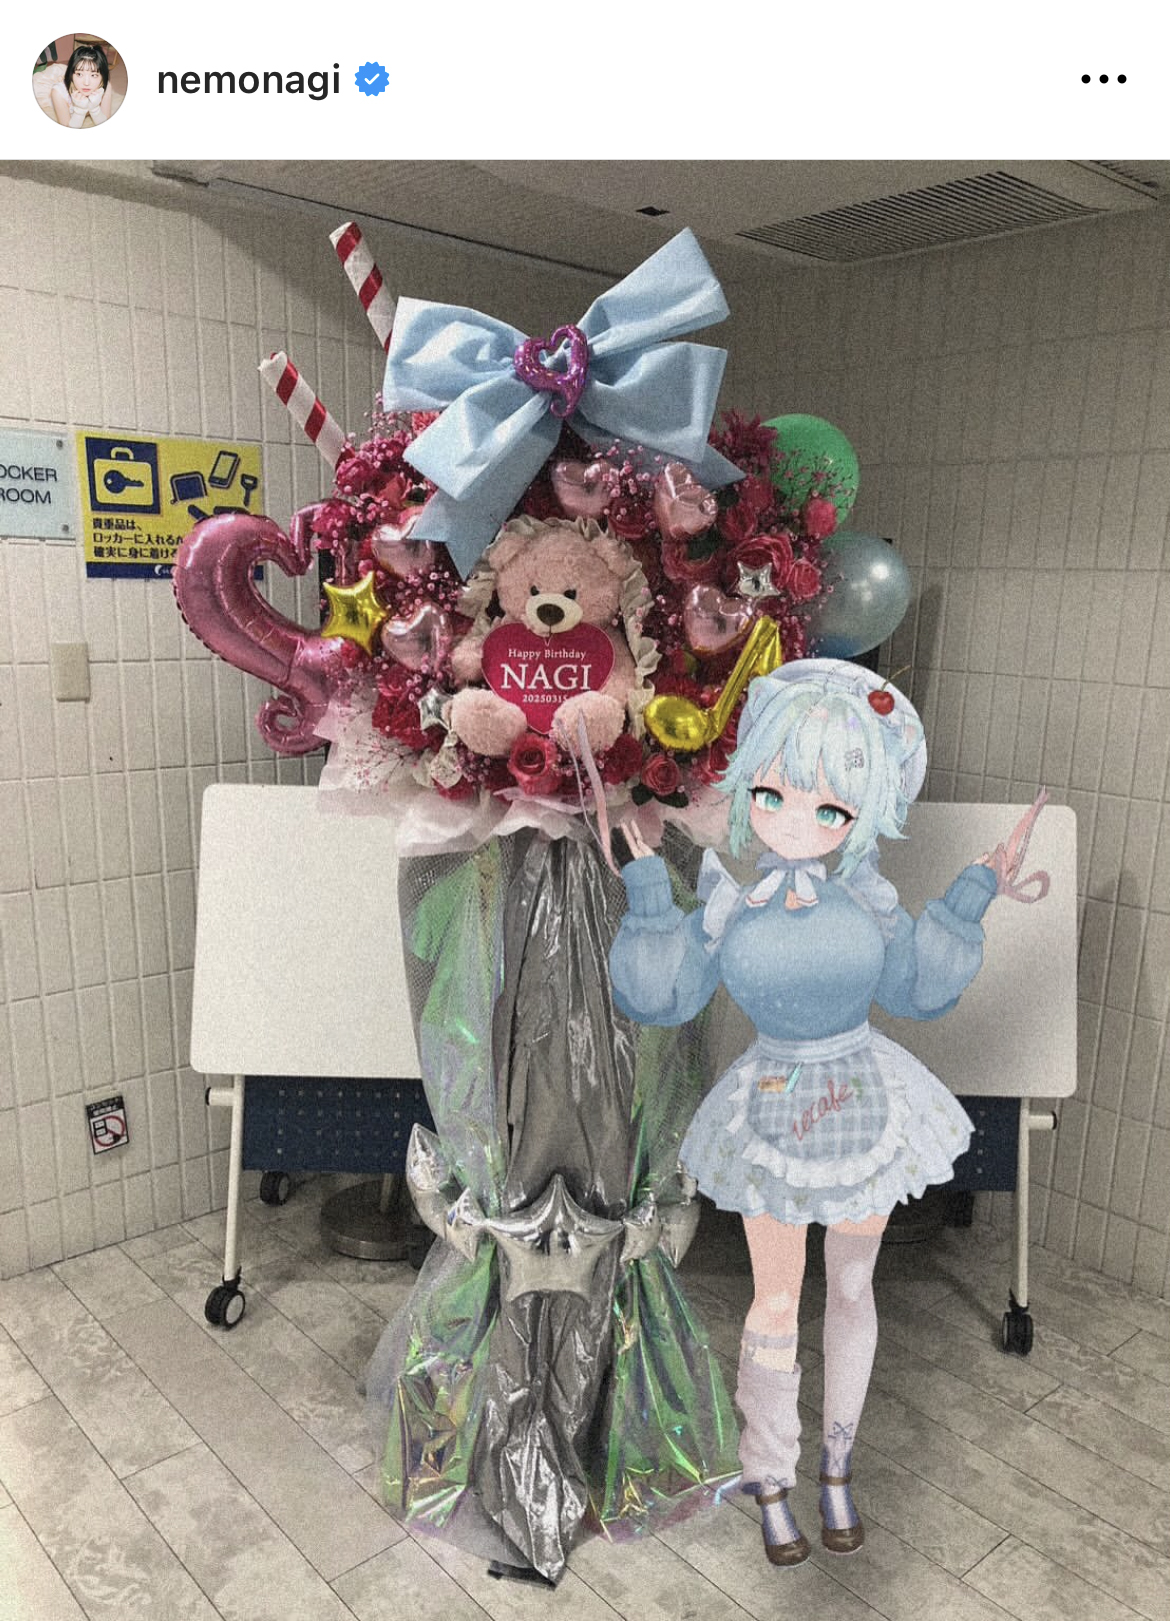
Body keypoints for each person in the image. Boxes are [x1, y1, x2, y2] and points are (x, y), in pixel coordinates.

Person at [608, 659, 1047, 1570]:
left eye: (829, 805)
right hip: (769, 1109)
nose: (793, 817)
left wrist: (975, 889)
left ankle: (837, 1470)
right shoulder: (728, 906)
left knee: (851, 1288)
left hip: (864, 1097)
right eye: (771, 793)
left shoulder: (869, 902)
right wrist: (647, 888)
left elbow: (919, 986)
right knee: (776, 1296)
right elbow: (663, 994)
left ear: (863, 810)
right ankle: (771, 1476)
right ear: (746, 787)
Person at [50, 43, 112, 128]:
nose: (86, 83)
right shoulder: (59, 92)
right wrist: (80, 111)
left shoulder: (105, 86)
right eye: (79, 74)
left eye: (94, 75)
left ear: (103, 76)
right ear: (71, 74)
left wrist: (95, 109)